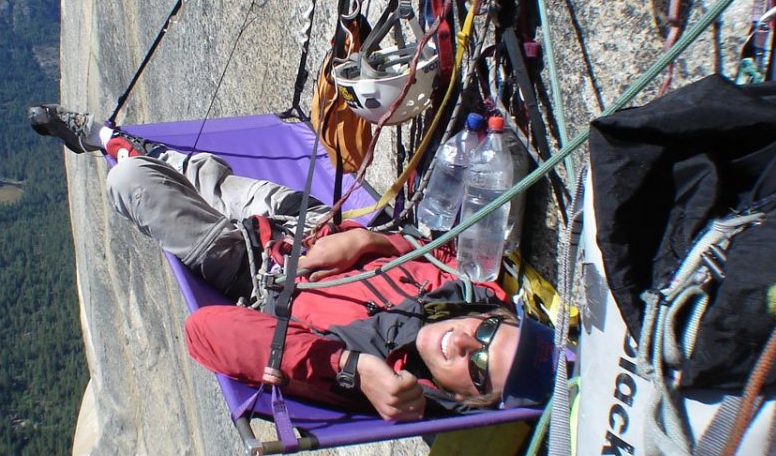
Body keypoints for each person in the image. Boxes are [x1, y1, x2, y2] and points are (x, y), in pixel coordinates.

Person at [30, 103, 557, 422]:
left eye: (479, 369)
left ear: (468, 398)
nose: (466, 344)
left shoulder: (385, 384)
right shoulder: (460, 294)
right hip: (304, 223)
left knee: (131, 184)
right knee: (208, 177)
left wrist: (349, 368)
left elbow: (204, 331)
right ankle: (136, 149)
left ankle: (108, 144)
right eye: (487, 334)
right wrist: (364, 244)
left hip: (250, 265)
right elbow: (430, 246)